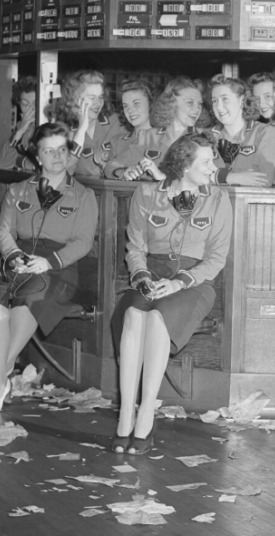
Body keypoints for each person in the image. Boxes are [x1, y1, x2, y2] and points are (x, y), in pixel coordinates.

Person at [111, 133, 232, 454]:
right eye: (206, 161)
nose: (213, 167)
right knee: (133, 315)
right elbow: (135, 247)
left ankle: (146, 412)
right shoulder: (147, 194)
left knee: (157, 319)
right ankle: (125, 413)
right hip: (152, 275)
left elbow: (216, 259)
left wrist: (181, 282)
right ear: (183, 165)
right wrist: (142, 276)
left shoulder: (218, 199)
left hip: (194, 284)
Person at [0, 123, 99, 413]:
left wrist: (49, 262)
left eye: (62, 149)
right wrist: (14, 255)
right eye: (49, 150)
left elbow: (84, 242)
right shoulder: (18, 191)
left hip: (58, 266)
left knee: (27, 302)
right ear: (37, 157)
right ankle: (2, 375)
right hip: (19, 259)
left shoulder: (83, 196)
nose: (57, 156)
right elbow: (2, 230)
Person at [121, 77, 204, 181]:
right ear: (171, 102)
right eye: (190, 103)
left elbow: (214, 173)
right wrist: (125, 172)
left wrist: (163, 176)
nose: (197, 109)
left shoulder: (203, 139)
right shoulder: (148, 137)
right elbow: (115, 164)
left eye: (200, 104)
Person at [205, 75, 275, 186]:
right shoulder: (205, 137)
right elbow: (193, 176)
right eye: (214, 101)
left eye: (225, 99)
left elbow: (263, 179)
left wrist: (214, 176)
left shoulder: (264, 132)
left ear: (242, 100)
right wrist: (232, 177)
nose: (219, 107)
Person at [54, 71, 127, 178]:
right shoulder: (63, 132)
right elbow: (63, 174)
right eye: (92, 98)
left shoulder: (117, 122)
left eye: (101, 97)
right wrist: (81, 130)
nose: (98, 103)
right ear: (75, 99)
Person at [104, 79, 155, 179]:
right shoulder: (117, 141)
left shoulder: (165, 138)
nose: (130, 110)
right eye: (125, 106)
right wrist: (122, 173)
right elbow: (108, 168)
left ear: (151, 104)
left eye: (136, 103)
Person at [0, 76, 38, 171]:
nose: (30, 109)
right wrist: (20, 132)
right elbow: (3, 164)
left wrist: (21, 161)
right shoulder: (23, 127)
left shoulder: (53, 126)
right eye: (25, 104)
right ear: (19, 104)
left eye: (35, 104)